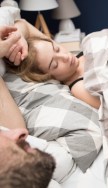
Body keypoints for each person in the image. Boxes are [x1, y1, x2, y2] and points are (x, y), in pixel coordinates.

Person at [0, 25, 56, 188]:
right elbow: (22, 23)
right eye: (25, 144)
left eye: (20, 145)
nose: (23, 134)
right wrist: (18, 37)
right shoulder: (12, 126)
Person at [6, 19, 101, 109]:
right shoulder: (78, 88)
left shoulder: (52, 52)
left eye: (57, 49)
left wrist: (18, 38)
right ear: (48, 77)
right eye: (55, 64)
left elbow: (23, 24)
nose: (65, 57)